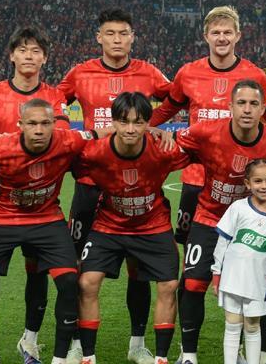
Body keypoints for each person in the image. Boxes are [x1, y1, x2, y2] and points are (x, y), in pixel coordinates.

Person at [149, 5, 266, 364]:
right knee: (194, 277)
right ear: (206, 36)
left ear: (238, 36)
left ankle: (252, 350)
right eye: (216, 32)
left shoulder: (254, 75)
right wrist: (144, 126)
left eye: (228, 32)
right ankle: (188, 352)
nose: (222, 37)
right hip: (199, 187)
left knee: (255, 280)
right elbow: (165, 109)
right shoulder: (188, 73)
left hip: (246, 200)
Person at [59, 8, 171, 364]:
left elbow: (178, 97)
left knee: (139, 271)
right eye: (110, 33)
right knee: (80, 270)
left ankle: (137, 344)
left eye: (124, 33)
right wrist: (77, 134)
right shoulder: (80, 73)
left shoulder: (148, 72)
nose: (117, 39)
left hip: (135, 184)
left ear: (132, 37)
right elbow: (52, 102)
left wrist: (153, 125)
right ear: (99, 37)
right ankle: (78, 343)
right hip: (91, 182)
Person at [0, 99, 94, 364]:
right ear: (20, 125)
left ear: (54, 124)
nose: (39, 130)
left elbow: (104, 133)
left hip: (47, 220)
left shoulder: (69, 140)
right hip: (0, 219)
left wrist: (151, 130)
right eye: (32, 123)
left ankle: (57, 358)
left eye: (45, 123)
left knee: (69, 281)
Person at [175, 80, 266, 364]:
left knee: (265, 287)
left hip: (252, 225)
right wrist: (155, 134)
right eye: (241, 103)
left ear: (263, 109)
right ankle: (188, 354)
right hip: (209, 218)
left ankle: (265, 357)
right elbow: (172, 144)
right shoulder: (206, 132)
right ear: (230, 106)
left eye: (254, 104)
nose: (247, 109)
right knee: (193, 284)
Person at [0, 26, 70, 364]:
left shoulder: (54, 97)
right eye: (23, 50)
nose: (29, 56)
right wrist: (11, 154)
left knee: (38, 274)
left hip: (42, 203)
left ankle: (30, 340)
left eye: (36, 51)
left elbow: (62, 136)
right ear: (12, 55)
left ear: (45, 58)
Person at [73, 92, 190, 364]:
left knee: (169, 285)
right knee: (87, 282)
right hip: (109, 225)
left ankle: (161, 358)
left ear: (148, 124)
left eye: (138, 123)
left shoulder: (163, 149)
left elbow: (200, 150)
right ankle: (87, 357)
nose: (130, 129)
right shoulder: (94, 153)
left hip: (153, 225)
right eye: (124, 122)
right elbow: (62, 156)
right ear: (113, 122)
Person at [211, 159, 266, 364]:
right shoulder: (238, 208)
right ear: (248, 184)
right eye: (258, 181)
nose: (264, 186)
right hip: (232, 277)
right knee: (232, 324)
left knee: (253, 325)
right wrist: (216, 273)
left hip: (259, 282)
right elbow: (222, 243)